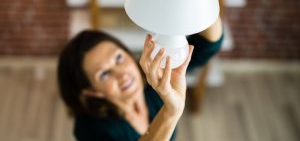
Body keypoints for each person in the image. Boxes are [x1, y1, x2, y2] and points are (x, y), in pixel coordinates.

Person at [57, 17, 223, 141]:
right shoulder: (89, 129)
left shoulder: (154, 76)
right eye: (104, 74)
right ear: (91, 91)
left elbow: (208, 43)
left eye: (119, 58)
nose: (122, 74)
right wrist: (170, 112)